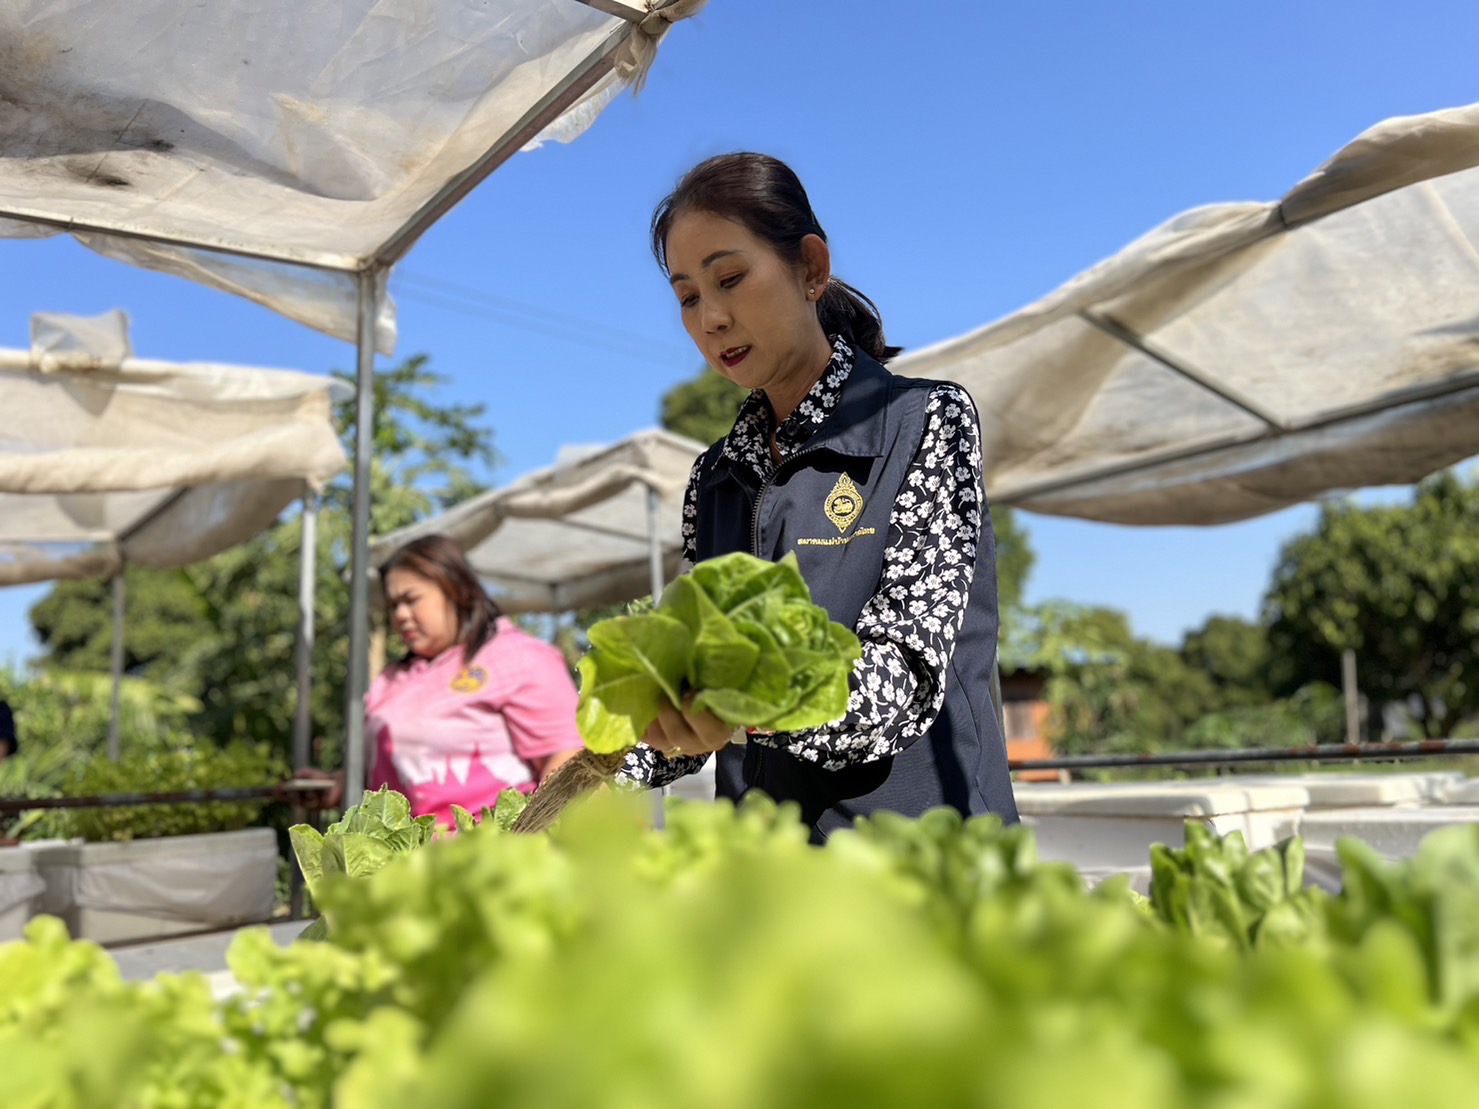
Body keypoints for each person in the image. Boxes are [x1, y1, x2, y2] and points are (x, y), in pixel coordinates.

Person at [621, 152, 1019, 843]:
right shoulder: (714, 480)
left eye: (730, 278)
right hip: (770, 881)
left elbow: (899, 683)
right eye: (687, 296)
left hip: (924, 869)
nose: (710, 318)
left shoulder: (924, 423)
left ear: (810, 267)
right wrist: (614, 743)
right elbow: (689, 701)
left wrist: (749, 696)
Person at [300, 535, 582, 827]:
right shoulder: (394, 677)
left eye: (411, 600)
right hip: (405, 862)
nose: (400, 615)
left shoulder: (519, 657)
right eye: (393, 605)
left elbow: (568, 759)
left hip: (491, 856)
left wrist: (524, 841)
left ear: (455, 589)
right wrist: (338, 784)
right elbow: (388, 773)